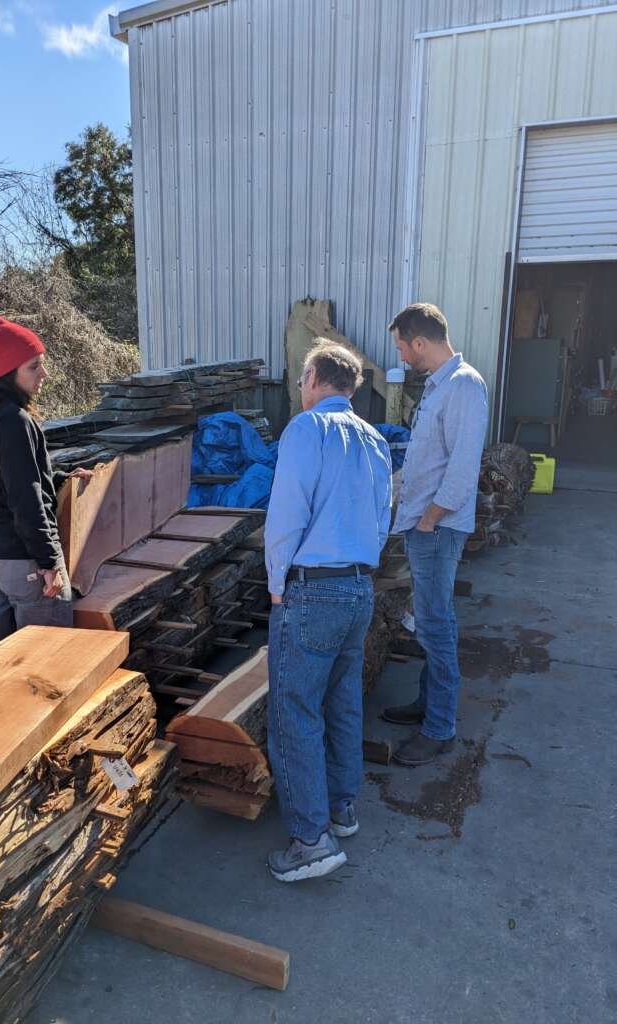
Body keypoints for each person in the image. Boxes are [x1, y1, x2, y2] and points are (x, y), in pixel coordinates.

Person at [264, 341, 392, 882]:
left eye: (301, 378)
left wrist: (276, 583)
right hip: (359, 587)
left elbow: (287, 513)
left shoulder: (305, 429)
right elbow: (386, 516)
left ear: (315, 376)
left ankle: (310, 839)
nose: (299, 387)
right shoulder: (376, 438)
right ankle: (341, 808)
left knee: (294, 710)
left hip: (312, 588)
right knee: (342, 701)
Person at [384, 303, 488, 767]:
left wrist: (429, 518)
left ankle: (440, 727)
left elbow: (464, 469)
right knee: (429, 620)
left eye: (403, 346)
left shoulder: (464, 386)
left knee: (436, 625)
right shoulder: (438, 386)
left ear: (419, 341)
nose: (402, 356)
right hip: (424, 523)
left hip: (438, 528)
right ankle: (428, 704)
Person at [0, 314, 92, 655]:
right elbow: (26, 499)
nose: (43, 374)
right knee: (44, 658)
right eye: (34, 366)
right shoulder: (15, 421)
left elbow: (3, 480)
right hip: (23, 562)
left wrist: (59, 479)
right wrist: (47, 563)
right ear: (8, 372)